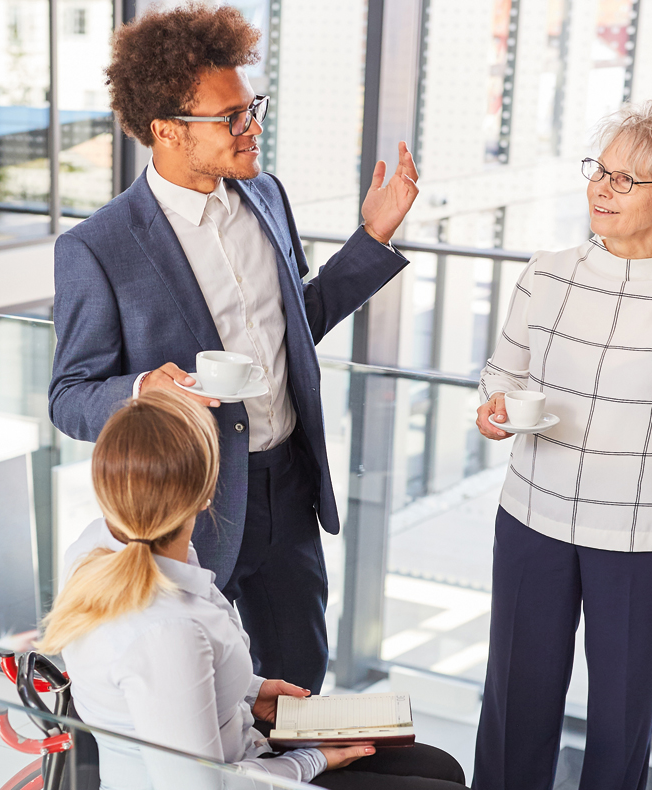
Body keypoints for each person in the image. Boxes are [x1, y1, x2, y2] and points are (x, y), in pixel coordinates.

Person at [49, 3, 419, 692]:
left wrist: (373, 239)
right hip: (190, 507)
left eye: (253, 108)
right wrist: (144, 391)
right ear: (166, 129)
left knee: (297, 684)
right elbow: (69, 398)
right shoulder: (96, 249)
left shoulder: (265, 196)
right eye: (232, 117)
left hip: (288, 486)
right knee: (199, 693)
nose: (253, 127)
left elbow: (296, 324)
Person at [472, 100, 652, 790]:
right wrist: (496, 410)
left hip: (644, 540)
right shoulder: (546, 272)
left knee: (621, 722)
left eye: (626, 180)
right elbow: (502, 376)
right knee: (514, 703)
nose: (602, 188)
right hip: (532, 519)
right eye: (600, 171)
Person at [40, 392, 476, 790]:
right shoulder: (166, 631)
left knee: (441, 768)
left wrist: (253, 691)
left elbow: (173, 685)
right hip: (218, 788)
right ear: (207, 492)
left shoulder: (100, 547)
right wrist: (313, 760)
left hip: (242, 748)